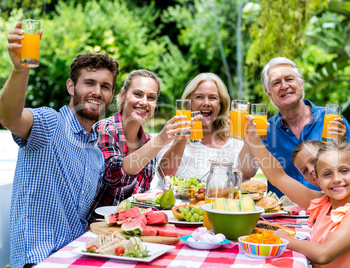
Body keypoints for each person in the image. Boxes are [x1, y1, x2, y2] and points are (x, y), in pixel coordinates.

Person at [0, 22, 120, 267]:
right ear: (71, 86)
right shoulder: (50, 123)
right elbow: (9, 117)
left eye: (105, 86)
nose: (97, 92)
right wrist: (21, 70)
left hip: (76, 257)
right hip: (38, 260)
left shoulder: (96, 155)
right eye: (89, 83)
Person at [243, 121, 350, 267]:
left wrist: (287, 240)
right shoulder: (324, 203)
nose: (337, 179)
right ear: (318, 181)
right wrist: (254, 139)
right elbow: (278, 177)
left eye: (344, 171)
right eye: (327, 174)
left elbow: (322, 254)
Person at [240, 57, 350, 197]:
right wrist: (249, 138)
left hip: (329, 209)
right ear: (269, 94)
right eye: (276, 83)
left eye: (289, 79)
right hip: (283, 216)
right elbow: (245, 172)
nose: (284, 86)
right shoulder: (264, 129)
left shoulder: (332, 121)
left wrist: (341, 143)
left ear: (301, 84)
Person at [86, 70, 189, 223]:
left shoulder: (147, 140)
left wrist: (181, 138)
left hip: (132, 227)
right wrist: (160, 139)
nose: (144, 102)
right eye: (138, 94)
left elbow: (147, 192)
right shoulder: (105, 128)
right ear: (122, 95)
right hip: (99, 226)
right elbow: (115, 174)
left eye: (151, 98)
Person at [157, 73, 243, 183]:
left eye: (212, 98)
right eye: (199, 97)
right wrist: (183, 135)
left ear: (221, 105)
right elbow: (166, 175)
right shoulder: (170, 133)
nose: (206, 103)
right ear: (189, 103)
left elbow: (245, 177)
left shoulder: (234, 139)